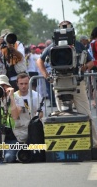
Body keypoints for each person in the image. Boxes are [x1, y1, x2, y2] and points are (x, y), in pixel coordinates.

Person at [37, 20, 97, 148]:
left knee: (86, 115)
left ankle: (94, 145)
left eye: (66, 28)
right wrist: (46, 76)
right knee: (63, 117)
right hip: (59, 84)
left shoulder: (79, 45)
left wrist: (82, 68)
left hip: (77, 84)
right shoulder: (52, 46)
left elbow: (92, 62)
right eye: (62, 28)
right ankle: (65, 145)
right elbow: (39, 60)